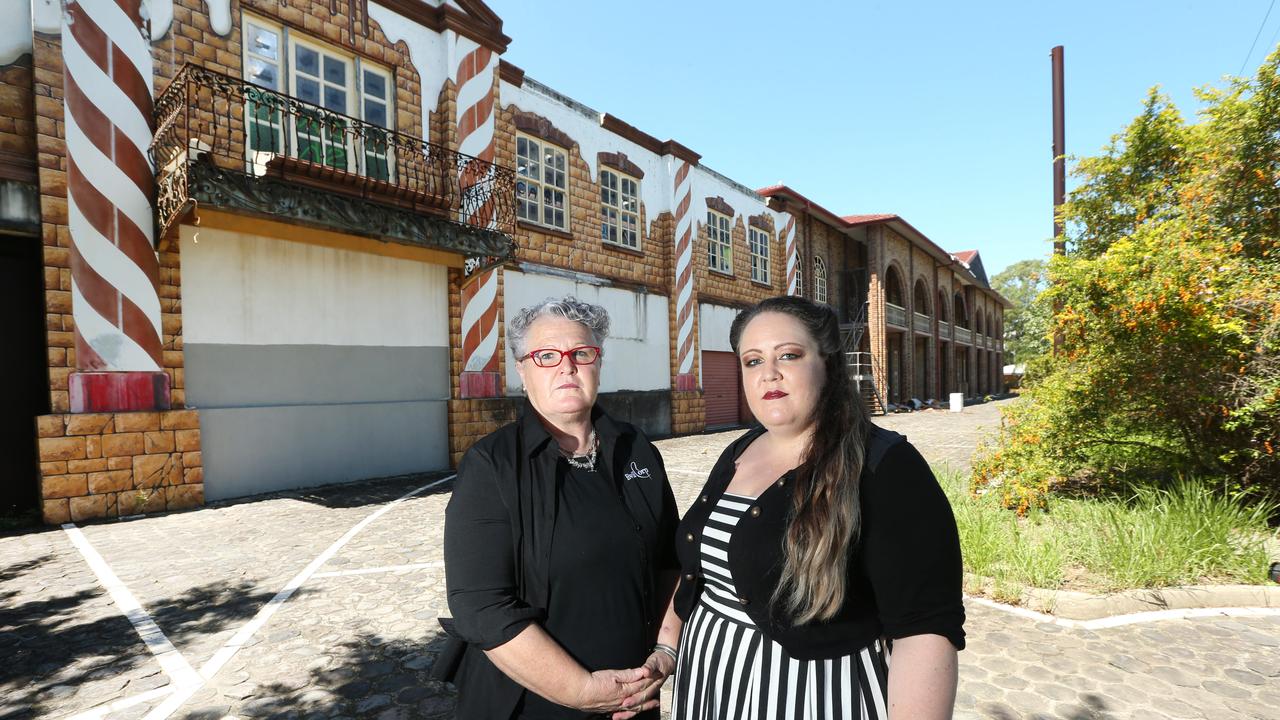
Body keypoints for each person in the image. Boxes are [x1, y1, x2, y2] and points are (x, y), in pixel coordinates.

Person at [657, 295, 965, 719]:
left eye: (789, 355)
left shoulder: (883, 465)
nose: (769, 373)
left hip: (812, 696)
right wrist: (667, 647)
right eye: (752, 361)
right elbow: (700, 573)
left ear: (827, 362)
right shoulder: (739, 450)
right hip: (712, 684)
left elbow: (924, 628)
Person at [443, 296, 681, 719]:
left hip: (634, 698)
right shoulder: (492, 466)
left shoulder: (638, 449)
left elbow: (670, 561)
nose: (566, 367)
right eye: (546, 356)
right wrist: (582, 691)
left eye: (581, 353)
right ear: (521, 368)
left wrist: (664, 651)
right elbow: (481, 608)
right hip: (531, 703)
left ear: (598, 362)